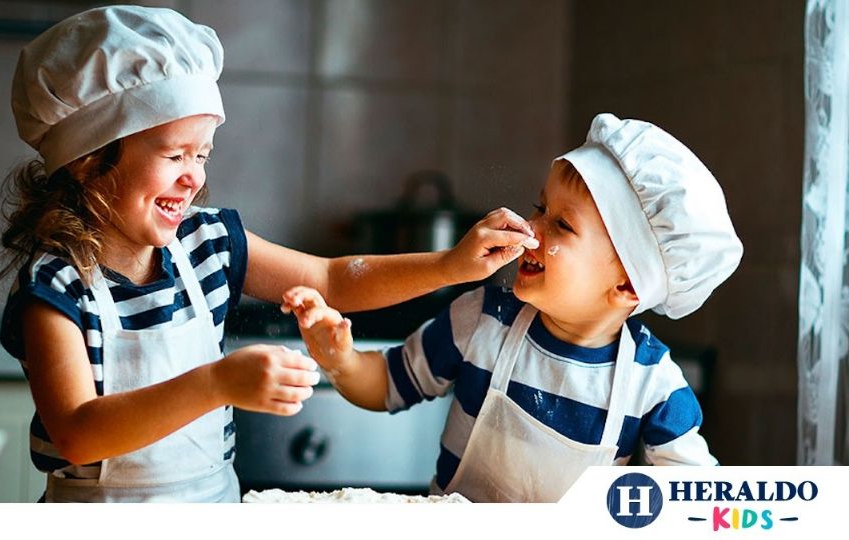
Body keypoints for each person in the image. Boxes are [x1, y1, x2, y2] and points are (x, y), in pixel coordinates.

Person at [0, 5, 537, 503]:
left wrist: (451, 266)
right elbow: (78, 432)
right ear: (90, 160)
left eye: (202, 154)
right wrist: (217, 382)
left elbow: (333, 277)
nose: (194, 176)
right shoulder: (56, 287)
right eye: (175, 153)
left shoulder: (207, 243)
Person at [282, 113, 744, 503]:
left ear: (627, 283)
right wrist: (339, 360)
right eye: (539, 208)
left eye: (561, 224)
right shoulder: (482, 319)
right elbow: (386, 385)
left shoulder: (653, 386)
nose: (531, 229)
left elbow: (696, 501)